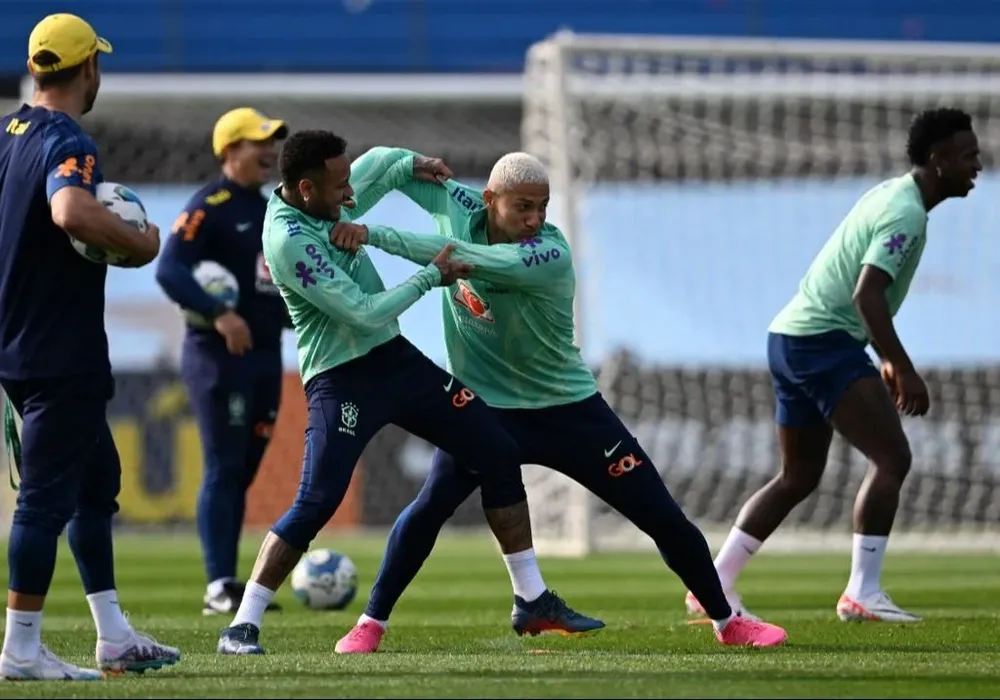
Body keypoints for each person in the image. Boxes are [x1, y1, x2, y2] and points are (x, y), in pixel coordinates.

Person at [327, 148, 789, 654]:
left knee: (661, 515)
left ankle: (726, 620)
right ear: (489, 199)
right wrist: (346, 209)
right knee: (429, 508)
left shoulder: (548, 254)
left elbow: (459, 258)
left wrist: (369, 234)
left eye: (542, 207)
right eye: (523, 207)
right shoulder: (456, 203)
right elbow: (382, 164)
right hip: (483, 410)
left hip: (566, 411)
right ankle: (370, 624)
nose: (535, 219)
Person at [216, 130, 601, 656]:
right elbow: (363, 313)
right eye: (340, 187)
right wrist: (430, 277)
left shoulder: (329, 194)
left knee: (497, 449)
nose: (351, 194)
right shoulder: (289, 240)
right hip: (341, 378)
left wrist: (414, 162)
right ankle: (242, 624)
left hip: (396, 362)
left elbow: (381, 162)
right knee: (317, 500)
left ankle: (531, 599)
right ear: (306, 189)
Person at [685, 107, 981, 623]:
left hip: (790, 337)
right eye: (968, 155)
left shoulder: (889, 194)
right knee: (892, 458)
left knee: (798, 475)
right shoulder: (906, 213)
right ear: (938, 160)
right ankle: (862, 592)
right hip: (822, 344)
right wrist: (901, 365)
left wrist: (880, 356)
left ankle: (714, 583)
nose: (977, 165)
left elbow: (858, 298)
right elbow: (866, 295)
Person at [0, 13, 181, 680]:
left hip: (19, 341)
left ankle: (113, 637)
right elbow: (71, 210)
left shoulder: (7, 134)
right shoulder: (67, 138)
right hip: (58, 349)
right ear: (89, 68)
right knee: (45, 501)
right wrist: (140, 243)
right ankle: (21, 650)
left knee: (96, 483)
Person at [155, 108, 290, 616]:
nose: (270, 151)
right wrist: (219, 314)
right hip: (217, 357)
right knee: (225, 466)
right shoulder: (208, 206)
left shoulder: (273, 209)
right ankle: (219, 585)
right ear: (230, 150)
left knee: (244, 470)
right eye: (259, 142)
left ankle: (231, 582)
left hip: (266, 358)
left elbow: (271, 287)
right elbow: (170, 269)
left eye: (272, 142)